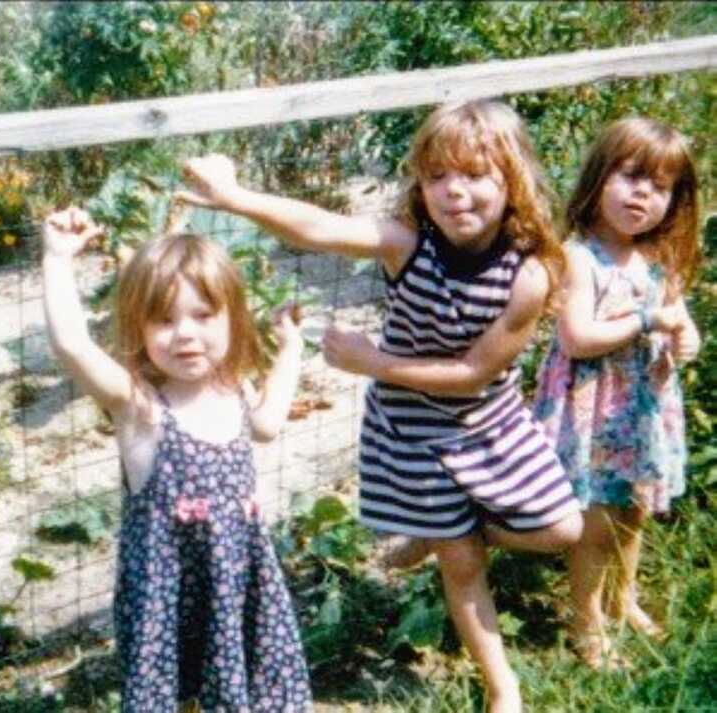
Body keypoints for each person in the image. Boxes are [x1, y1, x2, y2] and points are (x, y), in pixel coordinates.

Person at [178, 99, 583, 713]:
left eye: (475, 176)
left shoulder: (529, 275)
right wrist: (235, 196)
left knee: (563, 529)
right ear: (420, 183)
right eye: (437, 176)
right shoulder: (407, 244)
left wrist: (373, 363)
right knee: (463, 561)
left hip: (490, 419)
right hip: (412, 426)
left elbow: (474, 374)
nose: (454, 193)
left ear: (513, 180)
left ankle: (442, 528)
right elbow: (316, 227)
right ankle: (504, 686)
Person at [41, 207, 313, 712]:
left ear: (232, 317)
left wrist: (291, 349)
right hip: (166, 600)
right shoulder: (139, 405)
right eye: (164, 320)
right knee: (172, 694)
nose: (185, 333)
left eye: (203, 316)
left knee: (243, 686)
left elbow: (270, 423)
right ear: (138, 329)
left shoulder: (234, 389)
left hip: (236, 587)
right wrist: (58, 259)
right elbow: (72, 345)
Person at [533, 117, 701, 669]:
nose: (643, 195)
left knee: (634, 511)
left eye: (660, 186)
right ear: (599, 178)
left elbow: (679, 320)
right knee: (594, 523)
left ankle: (622, 598)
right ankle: (587, 624)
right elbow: (578, 339)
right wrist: (649, 320)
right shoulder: (580, 257)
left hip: (643, 409)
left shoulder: (659, 258)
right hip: (592, 410)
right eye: (631, 177)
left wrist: (685, 336)